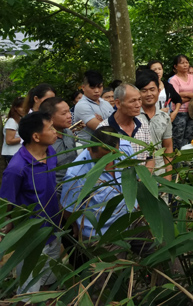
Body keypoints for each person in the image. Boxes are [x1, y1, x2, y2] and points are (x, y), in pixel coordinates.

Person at [0, 112, 60, 295]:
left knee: (50, 279)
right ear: (36, 136)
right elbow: (5, 204)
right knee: (29, 289)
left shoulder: (51, 153)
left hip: (53, 229)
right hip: (31, 236)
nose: (55, 131)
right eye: (50, 128)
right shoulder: (17, 168)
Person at [61, 126, 133, 241]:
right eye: (101, 158)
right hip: (102, 235)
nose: (106, 162)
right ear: (89, 149)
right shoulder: (77, 174)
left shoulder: (125, 149)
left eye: (111, 156)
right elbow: (69, 210)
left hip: (131, 223)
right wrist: (77, 226)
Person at [135, 70, 174, 177]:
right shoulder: (132, 117)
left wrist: (168, 174)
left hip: (160, 171)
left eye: (152, 89)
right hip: (137, 172)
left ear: (159, 90)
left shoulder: (164, 117)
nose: (149, 94)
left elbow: (168, 146)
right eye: (144, 90)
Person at [98, 84, 151, 162]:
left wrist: (144, 174)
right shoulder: (103, 129)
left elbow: (150, 158)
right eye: (133, 101)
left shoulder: (143, 124)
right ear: (118, 103)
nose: (138, 105)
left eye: (139, 99)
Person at [38, 97, 78, 190]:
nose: (69, 116)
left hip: (74, 186)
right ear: (50, 117)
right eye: (64, 113)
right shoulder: (45, 141)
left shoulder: (68, 132)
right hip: (54, 191)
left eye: (69, 111)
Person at [168, 54, 193, 150]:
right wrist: (192, 95)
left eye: (187, 62)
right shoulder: (174, 80)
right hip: (179, 113)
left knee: (190, 137)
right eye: (182, 63)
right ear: (175, 66)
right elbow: (175, 98)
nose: (185, 65)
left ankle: (187, 160)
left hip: (192, 112)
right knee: (177, 138)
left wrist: (184, 94)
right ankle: (177, 161)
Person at [73, 70, 115, 144]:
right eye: (92, 87)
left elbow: (117, 122)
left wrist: (103, 121)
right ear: (83, 87)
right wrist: (105, 122)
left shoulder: (105, 103)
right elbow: (101, 129)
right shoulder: (81, 106)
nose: (96, 91)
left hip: (108, 145)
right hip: (89, 148)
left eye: (99, 87)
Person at [2, 97, 24, 164]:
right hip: (12, 154)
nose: (24, 110)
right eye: (21, 107)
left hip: (17, 153)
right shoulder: (12, 121)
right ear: (15, 108)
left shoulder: (19, 120)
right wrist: (25, 138)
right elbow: (9, 140)